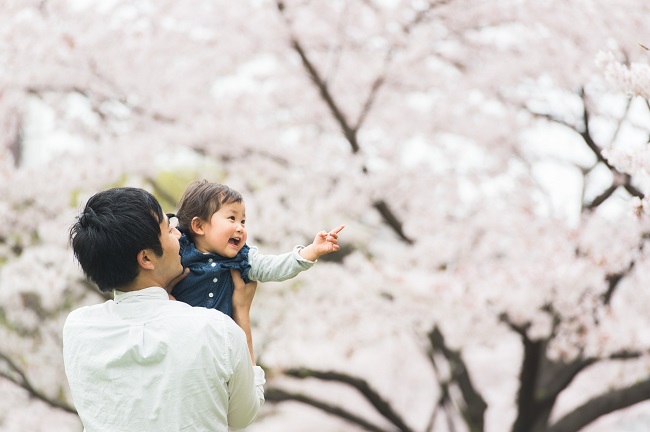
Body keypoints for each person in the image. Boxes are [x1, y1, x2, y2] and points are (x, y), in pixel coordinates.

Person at [63, 187, 265, 432]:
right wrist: (241, 313)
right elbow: (244, 416)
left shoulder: (78, 328)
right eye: (168, 228)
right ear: (146, 259)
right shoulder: (216, 330)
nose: (180, 235)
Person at [170, 180, 344, 315]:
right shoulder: (176, 252)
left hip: (221, 344)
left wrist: (312, 250)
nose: (240, 227)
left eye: (243, 221)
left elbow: (274, 267)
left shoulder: (243, 259)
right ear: (199, 226)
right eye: (232, 218)